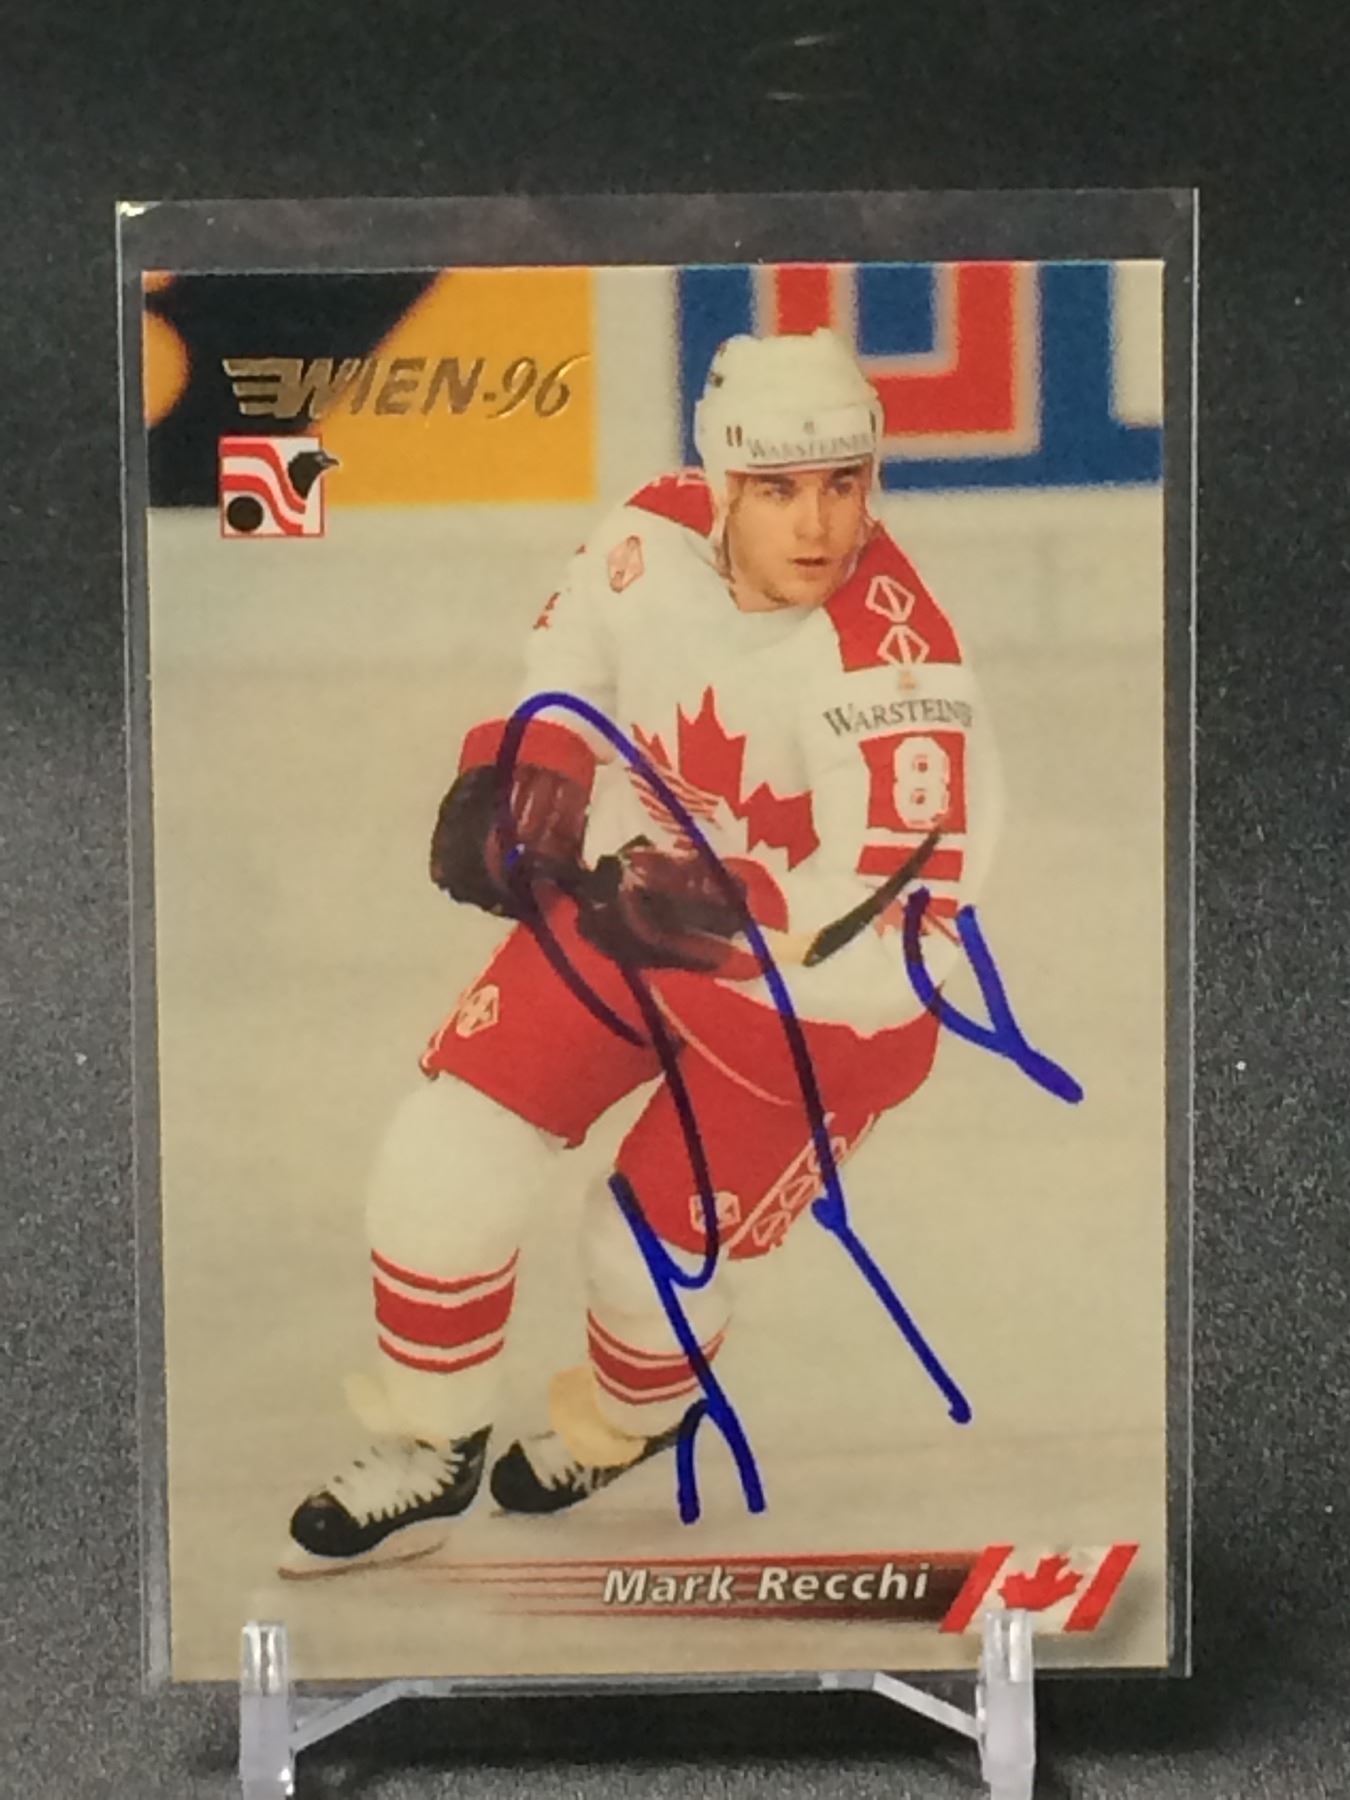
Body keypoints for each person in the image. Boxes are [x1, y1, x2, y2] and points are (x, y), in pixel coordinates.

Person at [282, 327, 1001, 1577]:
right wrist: (541, 762)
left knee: (639, 1258)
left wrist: (728, 923)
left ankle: (631, 1419)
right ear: (720, 482)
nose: (817, 524)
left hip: (811, 1020)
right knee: (441, 1157)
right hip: (634, 904)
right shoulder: (651, 531)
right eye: (777, 489)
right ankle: (428, 1445)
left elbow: (906, 934)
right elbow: (574, 649)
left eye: (843, 483)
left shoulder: (899, 676)